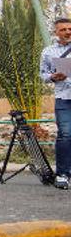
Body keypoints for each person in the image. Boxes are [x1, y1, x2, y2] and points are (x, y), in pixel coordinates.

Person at [40, 17, 71, 190]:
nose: (68, 32)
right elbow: (43, 74)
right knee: (65, 136)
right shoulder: (48, 51)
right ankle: (63, 174)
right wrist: (52, 77)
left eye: (70, 28)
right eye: (63, 29)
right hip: (64, 98)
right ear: (56, 32)